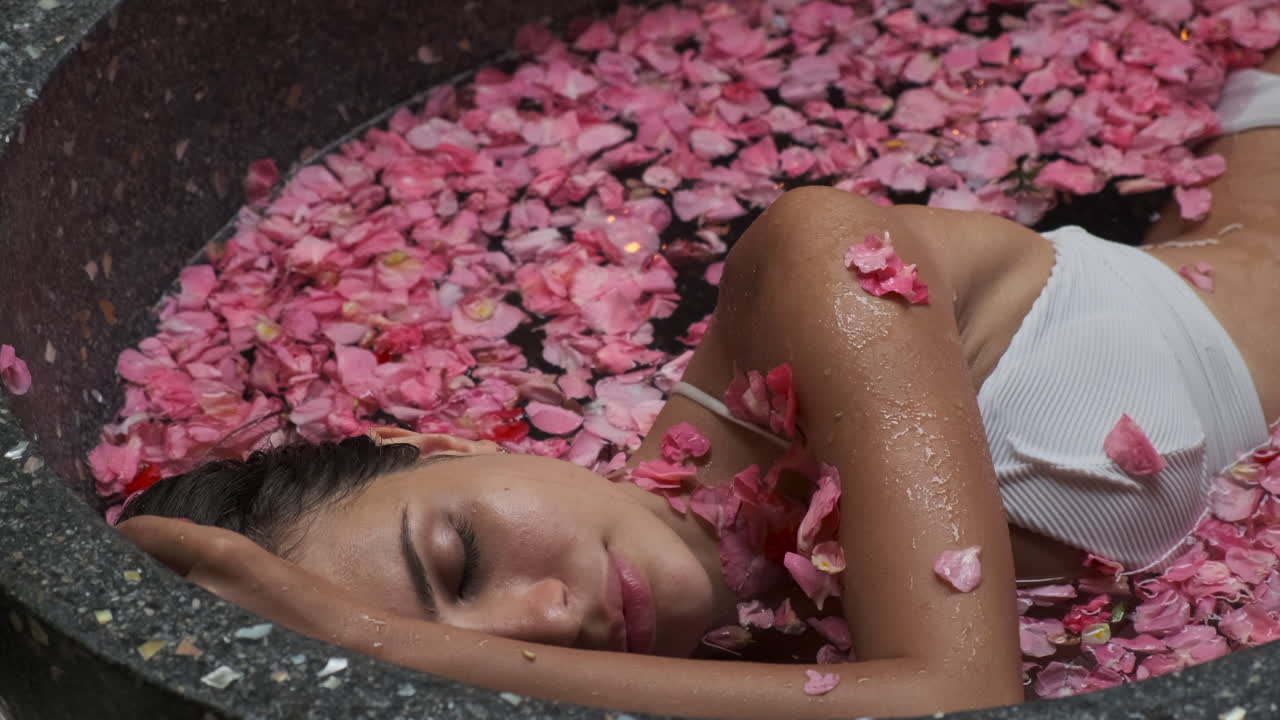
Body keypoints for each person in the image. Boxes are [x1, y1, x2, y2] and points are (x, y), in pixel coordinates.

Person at [116, 56, 1280, 719]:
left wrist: (372, 643)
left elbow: (957, 700)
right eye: (486, 642)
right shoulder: (735, 684)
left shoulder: (810, 268)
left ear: (434, 442)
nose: (545, 621)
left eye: (461, 560)